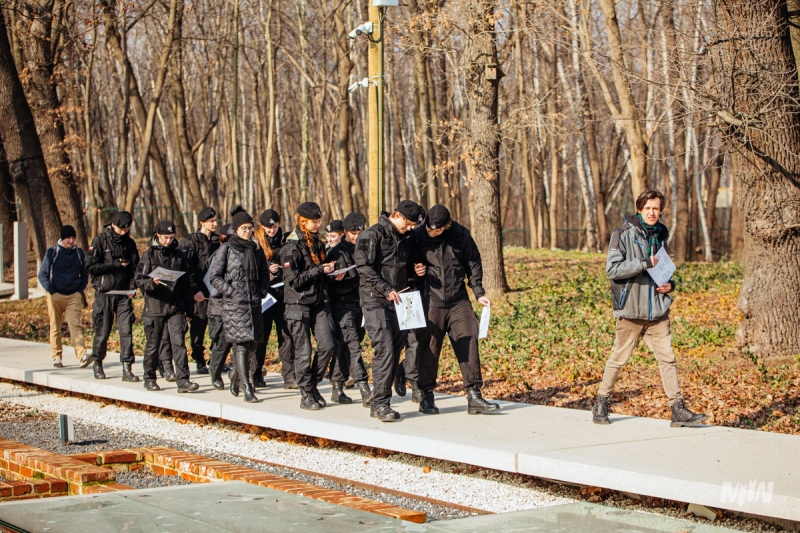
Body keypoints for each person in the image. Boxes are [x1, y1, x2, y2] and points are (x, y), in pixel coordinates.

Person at [593, 189, 707, 428]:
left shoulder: (662, 234)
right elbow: (612, 270)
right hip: (631, 310)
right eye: (648, 208)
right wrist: (643, 263)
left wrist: (669, 285)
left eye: (656, 208)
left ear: (660, 210)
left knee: (668, 359)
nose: (652, 212)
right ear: (639, 210)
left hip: (657, 311)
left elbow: (664, 269)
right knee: (618, 358)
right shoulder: (622, 234)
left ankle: (677, 409)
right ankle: (601, 401)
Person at [413, 205, 499, 415]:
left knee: (469, 340)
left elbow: (473, 262)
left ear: (447, 225)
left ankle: (474, 395)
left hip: (458, 299)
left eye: (436, 230)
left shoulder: (461, 234)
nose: (431, 232)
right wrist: (414, 271)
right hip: (430, 299)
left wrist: (478, 291)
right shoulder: (417, 235)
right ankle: (426, 396)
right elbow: (406, 262)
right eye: (430, 229)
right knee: (429, 349)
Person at [354, 200, 424, 422]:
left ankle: (378, 402)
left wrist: (417, 271)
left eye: (414, 225)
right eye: (409, 224)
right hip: (375, 300)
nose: (411, 228)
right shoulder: (372, 234)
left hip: (401, 301)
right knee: (384, 349)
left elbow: (406, 267)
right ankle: (383, 403)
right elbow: (363, 266)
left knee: (394, 350)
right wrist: (385, 289)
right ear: (398, 216)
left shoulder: (406, 239)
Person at [280, 202, 339, 411]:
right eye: (314, 222)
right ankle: (306, 393)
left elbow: (319, 273)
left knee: (328, 345)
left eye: (319, 221)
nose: (318, 225)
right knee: (303, 351)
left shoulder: (317, 243)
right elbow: (294, 281)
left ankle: (312, 385)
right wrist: (319, 271)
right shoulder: (290, 246)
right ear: (302, 221)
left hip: (319, 303)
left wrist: (332, 274)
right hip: (297, 305)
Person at [208, 206, 270, 403]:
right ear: (236, 229)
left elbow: (264, 274)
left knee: (253, 344)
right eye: (244, 228)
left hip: (254, 302)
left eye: (250, 228)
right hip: (234, 304)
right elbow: (214, 277)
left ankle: (236, 373)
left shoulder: (256, 249)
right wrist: (232, 291)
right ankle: (247, 385)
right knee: (241, 345)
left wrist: (262, 290)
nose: (247, 231)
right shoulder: (226, 249)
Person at [134, 221, 200, 393]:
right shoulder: (148, 256)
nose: (168, 241)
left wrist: (189, 308)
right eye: (165, 238)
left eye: (171, 238)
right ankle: (149, 378)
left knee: (179, 343)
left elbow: (186, 284)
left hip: (175, 306)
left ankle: (183, 380)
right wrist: (151, 283)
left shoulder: (179, 255)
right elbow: (139, 280)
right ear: (157, 235)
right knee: (153, 345)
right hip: (155, 307)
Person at [86, 211, 140, 381]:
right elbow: (90, 267)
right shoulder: (100, 240)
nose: (123, 232)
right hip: (105, 293)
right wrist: (112, 265)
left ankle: (127, 367)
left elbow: (136, 268)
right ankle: (97, 362)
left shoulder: (130, 244)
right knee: (103, 331)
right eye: (121, 229)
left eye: (127, 229)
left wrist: (133, 287)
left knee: (126, 331)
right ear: (113, 225)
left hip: (124, 295)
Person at [327, 212, 372, 406]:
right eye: (353, 233)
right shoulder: (336, 252)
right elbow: (327, 283)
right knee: (353, 345)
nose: (356, 236)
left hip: (362, 304)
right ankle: (364, 387)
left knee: (345, 347)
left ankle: (337, 387)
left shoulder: (368, 247)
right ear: (345, 232)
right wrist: (336, 279)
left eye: (359, 232)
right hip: (342, 305)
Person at [252, 209, 295, 389]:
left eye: (275, 226)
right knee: (260, 337)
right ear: (262, 227)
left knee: (286, 336)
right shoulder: (255, 244)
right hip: (264, 295)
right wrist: (265, 273)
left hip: (283, 295)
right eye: (268, 227)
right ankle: (255, 373)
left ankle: (289, 376)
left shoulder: (286, 240)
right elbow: (250, 268)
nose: (272, 230)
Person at [38, 225, 89, 368]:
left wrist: (79, 290)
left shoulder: (79, 253)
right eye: (68, 238)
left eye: (73, 238)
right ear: (62, 238)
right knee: (55, 327)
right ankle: (57, 356)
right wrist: (51, 291)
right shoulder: (52, 253)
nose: (71, 241)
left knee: (75, 325)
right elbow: (42, 274)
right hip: (56, 295)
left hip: (74, 295)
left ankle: (82, 356)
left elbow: (84, 274)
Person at [179, 207, 220, 375]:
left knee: (217, 328)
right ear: (202, 223)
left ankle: (216, 359)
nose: (215, 224)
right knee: (199, 327)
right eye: (212, 221)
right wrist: (194, 290)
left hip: (216, 292)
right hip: (199, 294)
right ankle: (199, 359)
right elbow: (187, 270)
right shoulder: (191, 242)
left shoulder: (218, 241)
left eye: (216, 220)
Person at [207, 224, 233, 390]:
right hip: (219, 305)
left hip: (238, 304)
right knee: (222, 342)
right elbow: (213, 283)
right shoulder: (220, 254)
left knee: (242, 343)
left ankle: (238, 374)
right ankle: (215, 372)